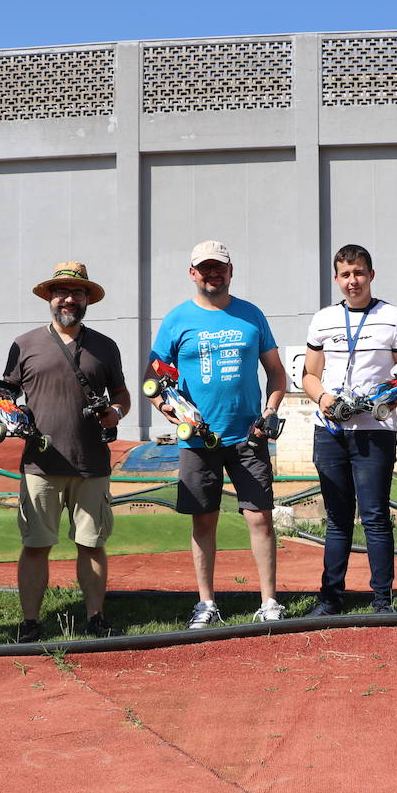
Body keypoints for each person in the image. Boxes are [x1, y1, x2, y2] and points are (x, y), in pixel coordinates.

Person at [146, 240, 289, 628]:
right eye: (204, 268)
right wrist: (172, 413)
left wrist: (271, 411)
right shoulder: (177, 319)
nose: (212, 274)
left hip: (248, 436)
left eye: (219, 267)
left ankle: (270, 602)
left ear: (230, 271)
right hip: (197, 439)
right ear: (192, 273)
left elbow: (277, 373)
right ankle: (206, 603)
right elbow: (152, 379)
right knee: (203, 520)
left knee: (260, 518)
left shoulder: (251, 315)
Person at [1, 262, 130, 642]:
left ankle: (95, 618)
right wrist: (6, 409)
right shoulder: (24, 345)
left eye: (77, 293)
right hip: (40, 464)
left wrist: (116, 412)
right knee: (36, 545)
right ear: (50, 297)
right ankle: (29, 623)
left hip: (92, 462)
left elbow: (121, 394)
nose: (69, 299)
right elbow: (5, 392)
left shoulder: (105, 346)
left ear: (88, 299)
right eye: (61, 292)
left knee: (92, 544)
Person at [302, 244, 397, 615]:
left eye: (359, 273)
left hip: (375, 433)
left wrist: (382, 404)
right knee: (337, 518)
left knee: (375, 516)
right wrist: (325, 401)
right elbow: (309, 375)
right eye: (345, 274)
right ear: (336, 279)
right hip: (330, 431)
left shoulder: (394, 317)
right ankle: (330, 598)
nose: (353, 281)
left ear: (371, 274)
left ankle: (382, 600)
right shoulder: (322, 319)